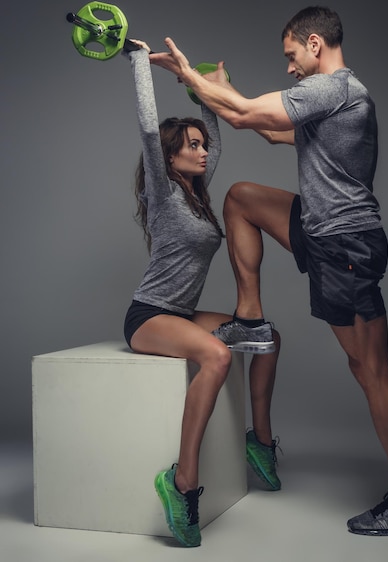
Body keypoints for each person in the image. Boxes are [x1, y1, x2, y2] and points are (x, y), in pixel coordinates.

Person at [148, 6, 388, 536]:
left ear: (313, 43)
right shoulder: (332, 105)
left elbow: (241, 116)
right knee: (241, 199)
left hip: (344, 242)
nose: (289, 69)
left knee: (372, 370)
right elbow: (265, 131)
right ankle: (251, 318)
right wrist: (221, 88)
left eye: (290, 57)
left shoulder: (334, 89)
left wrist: (189, 77)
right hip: (321, 228)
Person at [121, 40, 281, 548]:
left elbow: (215, 129)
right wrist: (140, 63)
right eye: (190, 146)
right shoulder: (165, 192)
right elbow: (149, 128)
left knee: (266, 336)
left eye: (200, 146)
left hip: (183, 312)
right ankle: (183, 481)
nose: (202, 150)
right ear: (169, 156)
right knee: (215, 356)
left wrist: (195, 82)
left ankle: (259, 440)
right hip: (149, 316)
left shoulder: (197, 196)